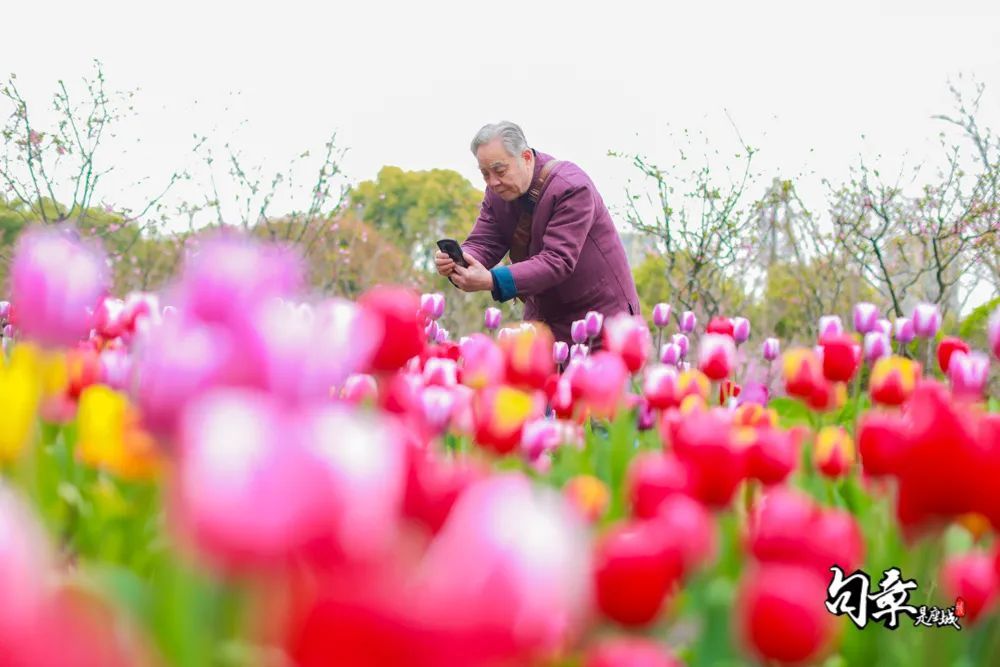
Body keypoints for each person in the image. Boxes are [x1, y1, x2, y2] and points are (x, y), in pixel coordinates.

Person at [435, 121, 640, 345]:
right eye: (485, 174)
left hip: (599, 322)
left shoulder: (571, 187)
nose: (493, 182)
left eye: (500, 170)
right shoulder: (497, 192)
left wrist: (492, 280)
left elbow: (557, 260)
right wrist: (459, 260)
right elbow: (484, 242)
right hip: (544, 322)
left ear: (525, 157)